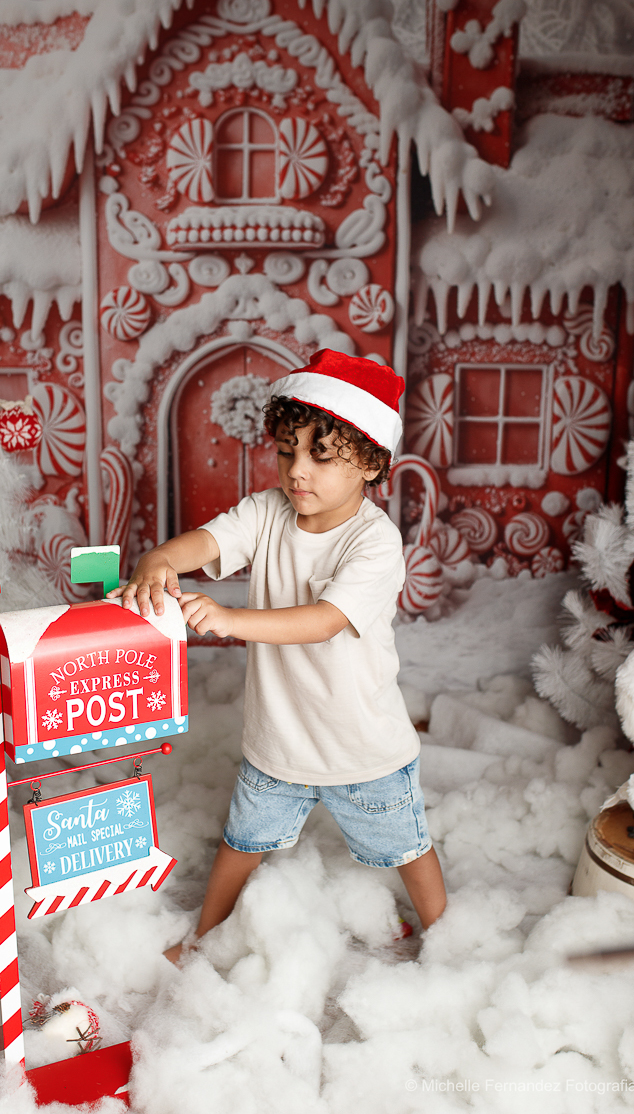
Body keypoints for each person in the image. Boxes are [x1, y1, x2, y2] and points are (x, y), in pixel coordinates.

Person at [115, 349, 446, 963]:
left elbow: (324, 621)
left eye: (321, 456)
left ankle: (446, 936)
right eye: (288, 451)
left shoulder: (375, 542)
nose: (298, 471)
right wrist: (159, 558)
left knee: (407, 846)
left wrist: (228, 618)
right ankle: (203, 937)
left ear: (371, 462)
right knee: (241, 843)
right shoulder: (268, 512)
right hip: (280, 742)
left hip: (362, 746)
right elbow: (208, 542)